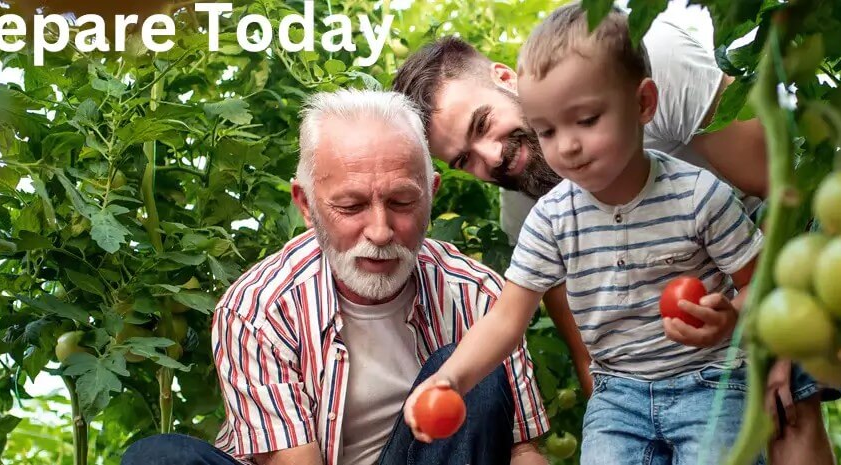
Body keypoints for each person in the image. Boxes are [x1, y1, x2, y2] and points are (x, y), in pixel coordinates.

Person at [391, 5, 837, 464]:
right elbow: (570, 343)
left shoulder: (650, 63)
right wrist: (453, 378)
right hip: (629, 385)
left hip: (752, 285)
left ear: (507, 79)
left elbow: (787, 194)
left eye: (482, 125)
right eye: (464, 159)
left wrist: (767, 335)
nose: (491, 156)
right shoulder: (537, 214)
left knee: (788, 411)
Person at [119, 89, 549, 465]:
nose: (380, 232)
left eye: (402, 202)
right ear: (306, 205)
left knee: (465, 374)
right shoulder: (257, 308)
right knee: (157, 458)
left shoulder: (479, 297)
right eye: (350, 207)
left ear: (431, 194)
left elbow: (521, 451)